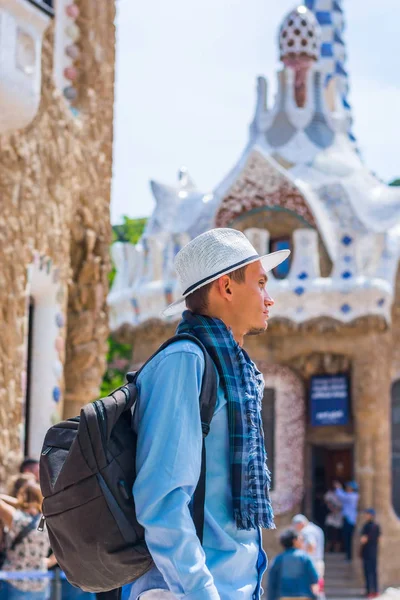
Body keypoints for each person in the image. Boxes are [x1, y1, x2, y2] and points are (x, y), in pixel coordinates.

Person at [128, 228, 290, 599]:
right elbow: (161, 499)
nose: (270, 298)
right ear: (226, 288)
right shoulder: (185, 362)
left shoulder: (236, 372)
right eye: (260, 283)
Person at [0, 480, 51, 600]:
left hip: (14, 581)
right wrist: (48, 561)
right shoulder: (46, 521)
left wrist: (18, 503)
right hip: (41, 584)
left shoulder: (16, 518)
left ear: (21, 496)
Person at [267, 529, 319, 600]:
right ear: (294, 541)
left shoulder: (278, 559)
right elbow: (314, 577)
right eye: (300, 539)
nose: (302, 541)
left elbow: (272, 581)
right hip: (304, 596)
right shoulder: (305, 557)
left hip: (283, 596)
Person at [292, 515, 325, 581]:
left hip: (312, 562)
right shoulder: (316, 528)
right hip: (318, 561)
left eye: (296, 526)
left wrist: (307, 560)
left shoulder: (307, 531)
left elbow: (311, 545)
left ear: (300, 524)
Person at [334, 481, 359, 561]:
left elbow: (341, 496)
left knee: (348, 539)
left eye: (348, 487)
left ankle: (349, 556)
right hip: (349, 520)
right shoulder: (353, 496)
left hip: (349, 520)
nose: (347, 488)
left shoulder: (351, 496)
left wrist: (338, 488)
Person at [360, 509, 381, 599]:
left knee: (368, 571)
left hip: (367, 552)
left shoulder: (367, 526)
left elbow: (363, 539)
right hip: (374, 551)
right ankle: (375, 590)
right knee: (373, 571)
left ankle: (369, 591)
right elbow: (379, 539)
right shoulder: (377, 526)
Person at [323, 488, 343, 553]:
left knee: (338, 538)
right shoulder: (326, 508)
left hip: (338, 523)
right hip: (330, 523)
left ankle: (336, 551)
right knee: (329, 538)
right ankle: (327, 550)